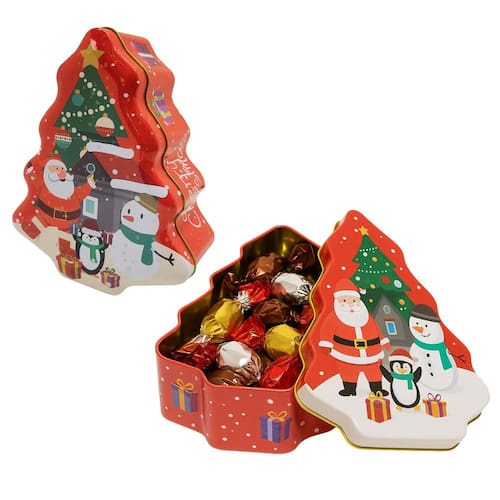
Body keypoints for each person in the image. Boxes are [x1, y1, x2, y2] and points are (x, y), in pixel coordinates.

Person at [326, 278, 391, 396]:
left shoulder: (365, 316)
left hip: (371, 351)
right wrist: (326, 343)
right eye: (344, 300)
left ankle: (377, 388)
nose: (350, 305)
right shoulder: (335, 317)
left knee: (374, 370)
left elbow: (376, 328)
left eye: (354, 300)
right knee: (348, 370)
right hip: (346, 351)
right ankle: (349, 389)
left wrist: (383, 340)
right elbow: (327, 329)